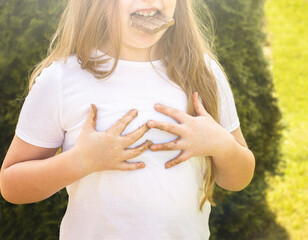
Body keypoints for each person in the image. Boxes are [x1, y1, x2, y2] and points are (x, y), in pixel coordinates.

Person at [0, 0, 255, 239]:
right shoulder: (63, 80)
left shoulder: (202, 72)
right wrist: (80, 161)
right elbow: (11, 186)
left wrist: (221, 145)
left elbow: (239, 178)